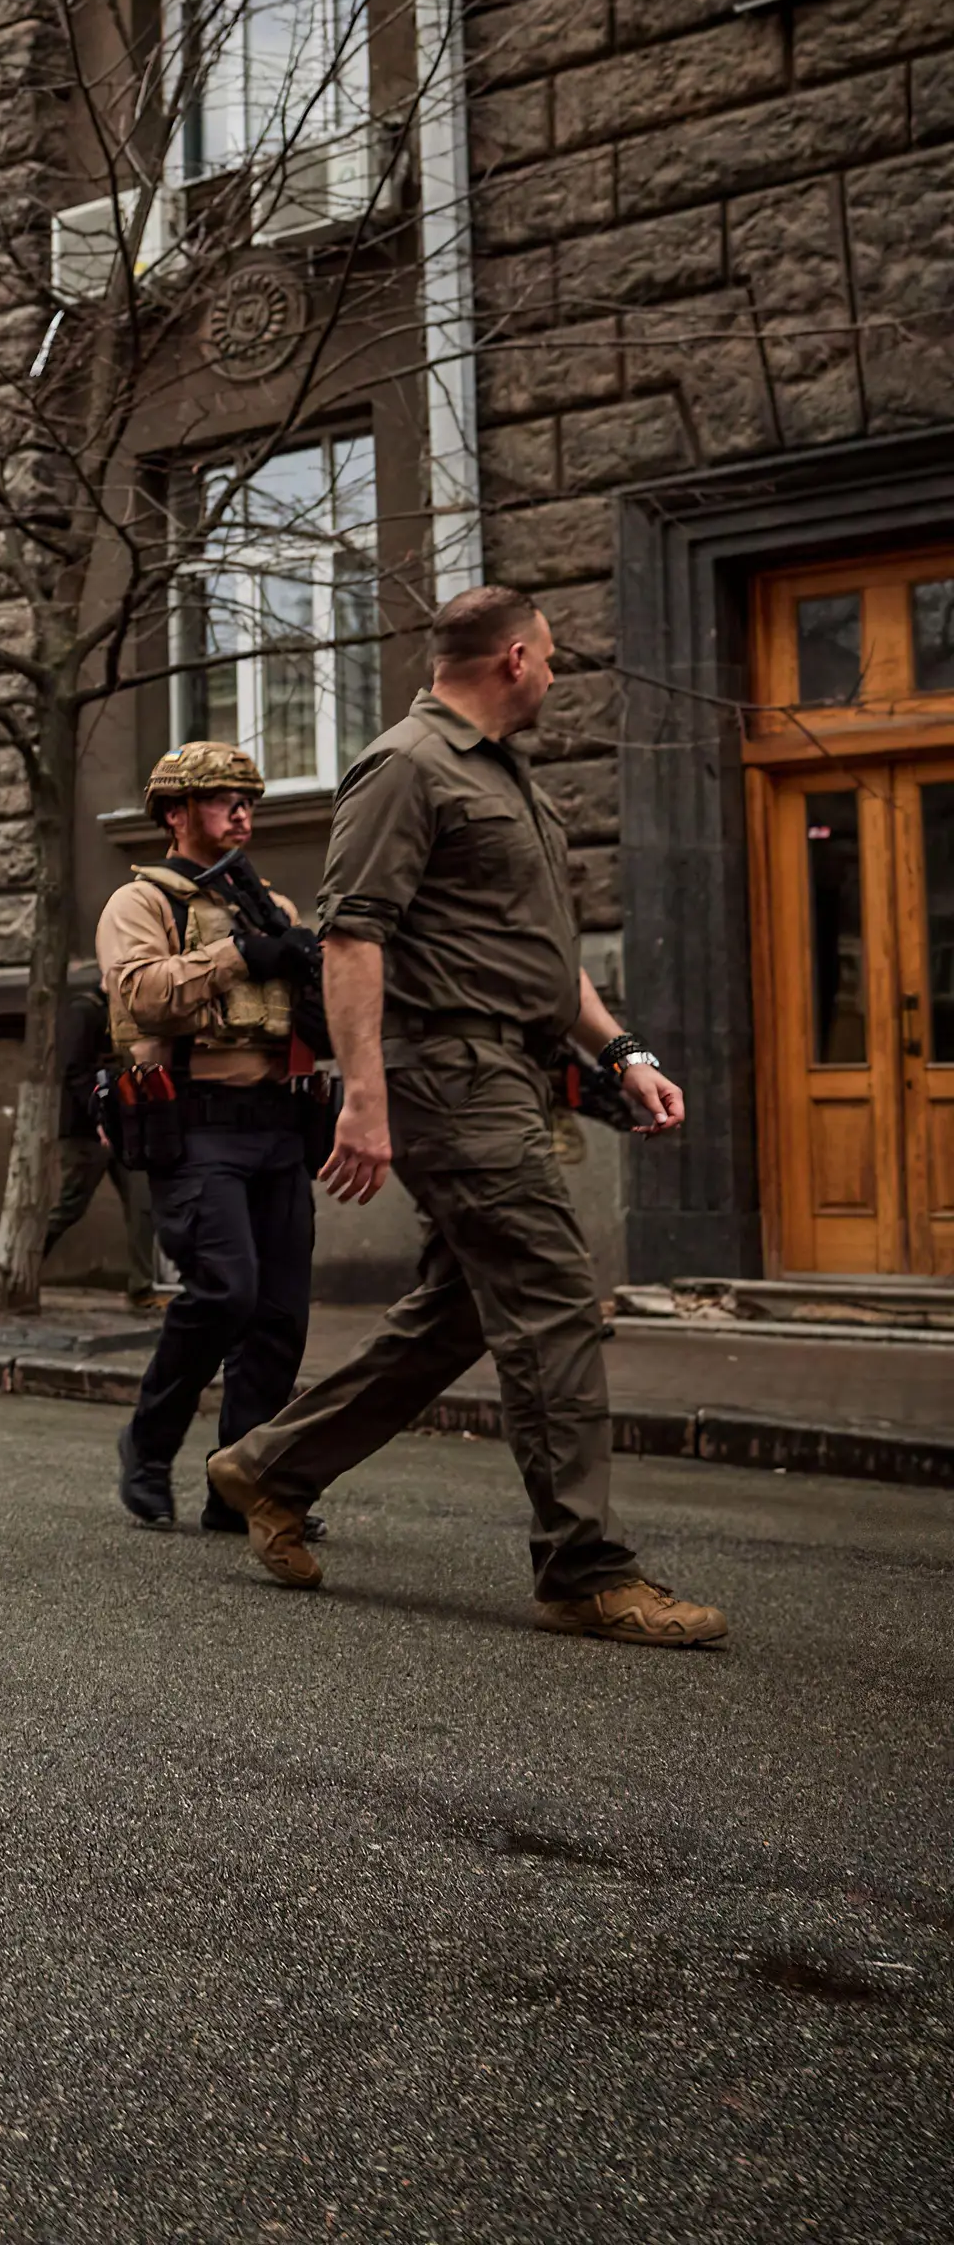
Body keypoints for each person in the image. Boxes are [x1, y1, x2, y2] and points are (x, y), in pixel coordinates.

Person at [205, 585, 727, 1649]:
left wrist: (620, 1051)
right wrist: (364, 1098)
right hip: (449, 1071)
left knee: (461, 1309)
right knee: (553, 1294)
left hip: (513, 1068)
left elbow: (539, 956)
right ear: (518, 660)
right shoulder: (407, 764)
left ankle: (269, 1465)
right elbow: (352, 939)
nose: (554, 675)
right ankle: (586, 1568)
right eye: (552, 659)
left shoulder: (503, 776)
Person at [100, 742, 326, 1532]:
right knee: (225, 1291)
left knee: (280, 1316)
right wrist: (238, 955)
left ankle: (243, 1484)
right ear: (176, 813)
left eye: (248, 800)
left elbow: (318, 1021)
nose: (243, 813)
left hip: (278, 1126)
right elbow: (143, 996)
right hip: (195, 1127)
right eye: (225, 799)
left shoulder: (278, 906)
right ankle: (150, 1446)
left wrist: (314, 970)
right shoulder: (142, 903)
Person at [41, 984, 169, 1314]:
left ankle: (141, 1288)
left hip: (125, 1130)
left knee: (142, 1203)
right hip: (86, 1132)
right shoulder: (84, 1011)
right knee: (69, 1206)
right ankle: (20, 1264)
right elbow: (75, 1071)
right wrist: (99, 1114)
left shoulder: (129, 1013)